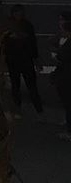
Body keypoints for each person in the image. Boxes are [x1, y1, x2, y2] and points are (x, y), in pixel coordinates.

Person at [4, 4, 44, 115]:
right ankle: (18, 108)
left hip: (25, 60)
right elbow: (3, 42)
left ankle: (38, 108)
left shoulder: (27, 25)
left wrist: (36, 59)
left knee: (31, 86)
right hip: (14, 60)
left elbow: (32, 43)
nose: (19, 15)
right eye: (17, 13)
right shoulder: (10, 26)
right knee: (16, 86)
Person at [51, 10, 71, 141]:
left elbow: (63, 57)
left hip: (67, 76)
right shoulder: (64, 39)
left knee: (69, 103)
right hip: (64, 75)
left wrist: (57, 56)